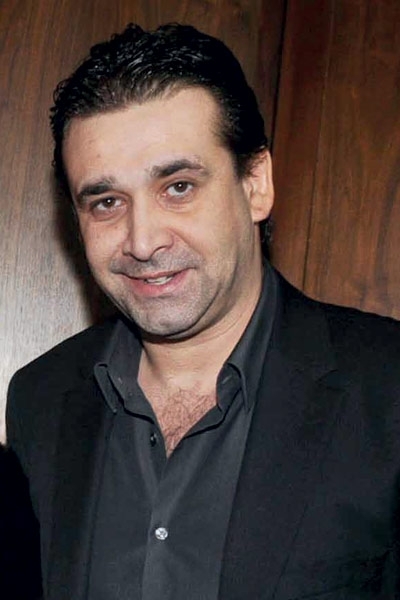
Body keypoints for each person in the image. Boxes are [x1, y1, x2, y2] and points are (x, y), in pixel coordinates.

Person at [6, 23, 400, 600]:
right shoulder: (40, 399)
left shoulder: (387, 388)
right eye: (107, 202)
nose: (143, 240)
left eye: (178, 187)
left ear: (255, 183)